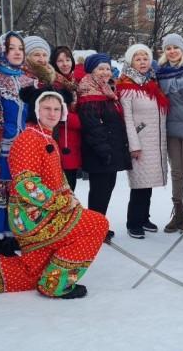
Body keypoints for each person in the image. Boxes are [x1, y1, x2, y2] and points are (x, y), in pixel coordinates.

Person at [0, 88, 109, 299]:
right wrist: (61, 203)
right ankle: (56, 284)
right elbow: (26, 184)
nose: (52, 113)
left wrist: (71, 200)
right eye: (46, 109)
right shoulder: (29, 138)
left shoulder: (47, 138)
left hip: (43, 212)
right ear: (36, 110)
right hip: (32, 215)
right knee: (97, 223)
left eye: (56, 109)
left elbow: (59, 181)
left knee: (31, 273)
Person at [0, 31, 37, 256]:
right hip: (3, 152)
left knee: (20, 198)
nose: (16, 52)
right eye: (11, 48)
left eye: (20, 48)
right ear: (2, 51)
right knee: (1, 200)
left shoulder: (27, 79)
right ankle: (1, 253)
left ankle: (18, 241)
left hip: (25, 152)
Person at [117, 44, 169, 238]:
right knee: (139, 184)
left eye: (145, 58)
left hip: (155, 141)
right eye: (138, 59)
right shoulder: (126, 87)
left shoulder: (152, 83)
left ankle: (144, 217)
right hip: (140, 142)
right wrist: (134, 145)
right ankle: (133, 222)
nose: (142, 62)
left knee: (148, 183)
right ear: (131, 62)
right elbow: (128, 119)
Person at [77, 53, 131, 239]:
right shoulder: (88, 91)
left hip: (110, 150)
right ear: (91, 71)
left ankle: (98, 225)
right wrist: (104, 150)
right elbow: (92, 125)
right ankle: (94, 228)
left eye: (107, 68)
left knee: (107, 189)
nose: (105, 72)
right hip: (99, 153)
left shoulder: (106, 90)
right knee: (99, 191)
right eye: (101, 68)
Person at [156, 33, 183, 234]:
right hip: (171, 128)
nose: (172, 51)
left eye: (175, 47)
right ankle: (178, 213)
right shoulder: (160, 72)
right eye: (168, 48)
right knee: (176, 172)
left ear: (182, 49)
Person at [50, 46, 82, 190]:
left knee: (71, 186)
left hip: (75, 142)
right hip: (62, 141)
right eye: (60, 61)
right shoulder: (54, 85)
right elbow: (60, 117)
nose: (65, 64)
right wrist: (81, 121)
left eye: (68, 59)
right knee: (64, 188)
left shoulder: (76, 84)